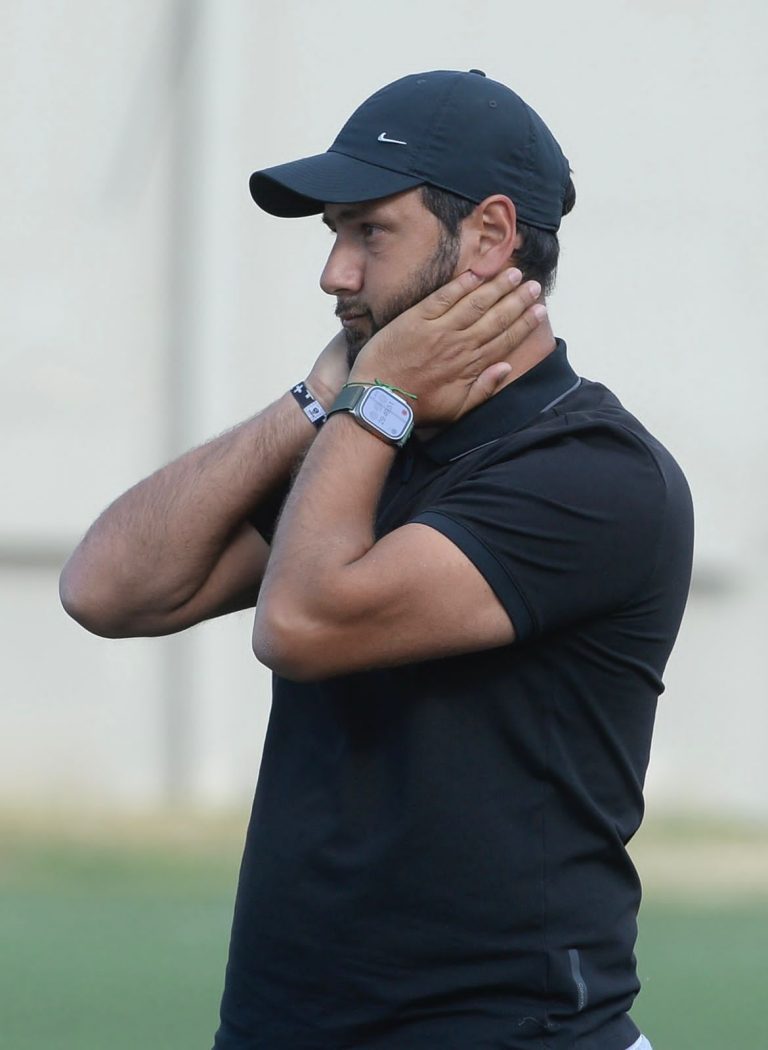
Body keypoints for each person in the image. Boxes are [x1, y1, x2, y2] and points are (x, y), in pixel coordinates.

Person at [60, 70, 692, 1050]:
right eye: (332, 234)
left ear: (489, 235)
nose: (334, 274)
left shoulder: (595, 472)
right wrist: (318, 401)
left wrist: (373, 400)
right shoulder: (366, 439)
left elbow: (303, 623)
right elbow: (107, 588)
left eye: (369, 232)